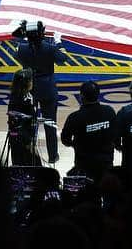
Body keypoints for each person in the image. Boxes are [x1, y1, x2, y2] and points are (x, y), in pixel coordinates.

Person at [15, 22, 66, 164]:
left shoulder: (22, 49)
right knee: (50, 123)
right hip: (48, 88)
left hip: (30, 88)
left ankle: (29, 153)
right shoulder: (50, 48)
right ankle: (52, 156)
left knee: (29, 122)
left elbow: (17, 57)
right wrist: (58, 42)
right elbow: (63, 59)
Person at [60, 81, 116, 183]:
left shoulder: (75, 117)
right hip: (106, 163)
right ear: (98, 95)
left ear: (81, 96)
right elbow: (116, 133)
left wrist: (75, 144)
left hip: (84, 164)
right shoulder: (109, 111)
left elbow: (65, 139)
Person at [6, 69, 38, 166]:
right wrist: (28, 142)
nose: (32, 82)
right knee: (23, 165)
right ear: (25, 83)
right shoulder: (18, 101)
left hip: (26, 137)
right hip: (21, 139)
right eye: (30, 80)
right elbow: (16, 125)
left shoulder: (28, 96)